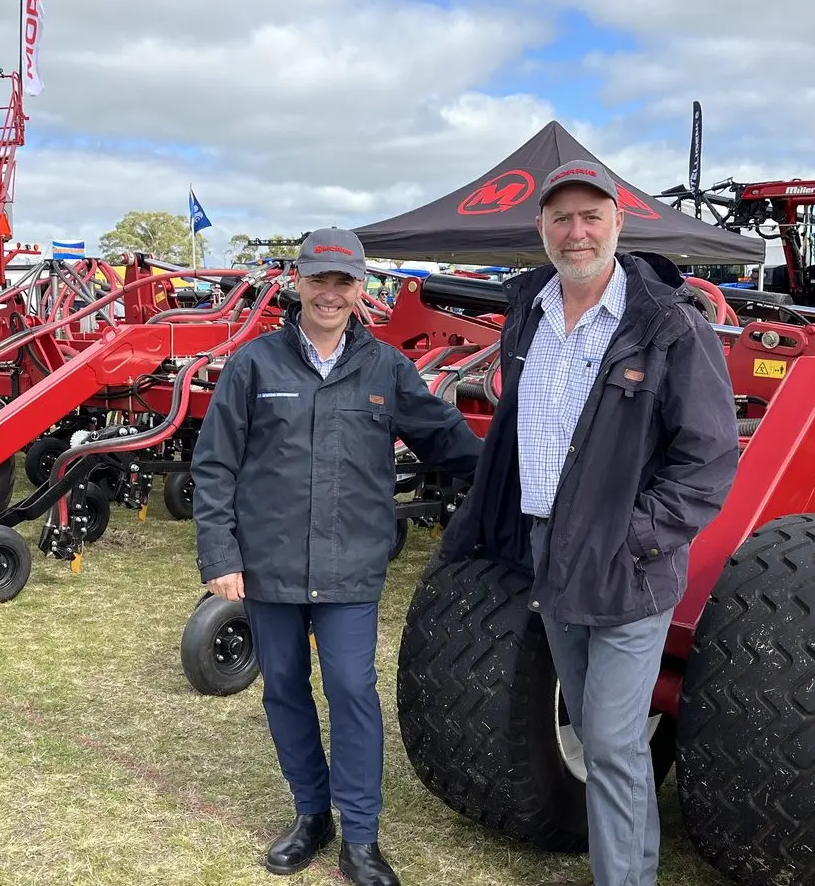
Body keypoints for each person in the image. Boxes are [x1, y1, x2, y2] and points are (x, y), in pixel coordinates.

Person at [435, 160, 740, 886]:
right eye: (562, 218)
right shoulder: (528, 314)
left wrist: (638, 537)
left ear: (618, 223)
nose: (577, 232)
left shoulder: (668, 325)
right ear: (541, 227)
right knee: (595, 725)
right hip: (550, 551)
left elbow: (709, 457)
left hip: (628, 563)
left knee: (610, 741)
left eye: (591, 216)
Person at [190, 227, 482, 886]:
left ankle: (361, 836)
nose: (330, 292)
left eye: (343, 281)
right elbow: (213, 466)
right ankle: (309, 814)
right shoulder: (254, 365)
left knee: (352, 690)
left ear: (361, 289)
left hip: (351, 564)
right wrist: (219, 553)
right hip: (270, 564)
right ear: (299, 281)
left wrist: (517, 476)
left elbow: (445, 439)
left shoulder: (385, 369)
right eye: (319, 279)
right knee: (286, 690)